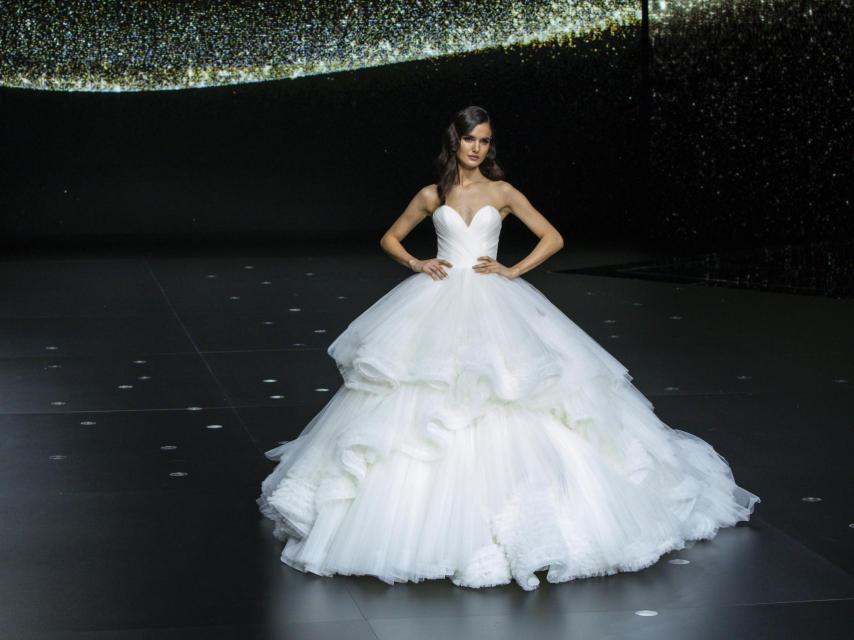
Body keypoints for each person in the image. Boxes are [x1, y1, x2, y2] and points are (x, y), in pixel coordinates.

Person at [257, 105, 760, 591]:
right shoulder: (432, 194)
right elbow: (390, 237)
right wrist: (417, 263)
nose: (477, 147)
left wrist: (513, 270)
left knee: (515, 390)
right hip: (437, 301)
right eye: (470, 139)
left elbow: (553, 237)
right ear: (454, 142)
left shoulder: (502, 191)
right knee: (424, 397)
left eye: (485, 140)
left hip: (496, 301)